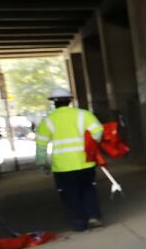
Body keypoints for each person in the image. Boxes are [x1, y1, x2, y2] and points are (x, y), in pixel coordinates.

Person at [34, 86, 105, 231]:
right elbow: (98, 132)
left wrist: (42, 163)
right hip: (85, 162)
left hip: (62, 167)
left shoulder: (48, 120)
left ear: (54, 103)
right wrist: (91, 147)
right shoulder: (83, 115)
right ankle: (93, 216)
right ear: (70, 101)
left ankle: (79, 223)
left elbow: (41, 144)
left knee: (70, 194)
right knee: (88, 189)